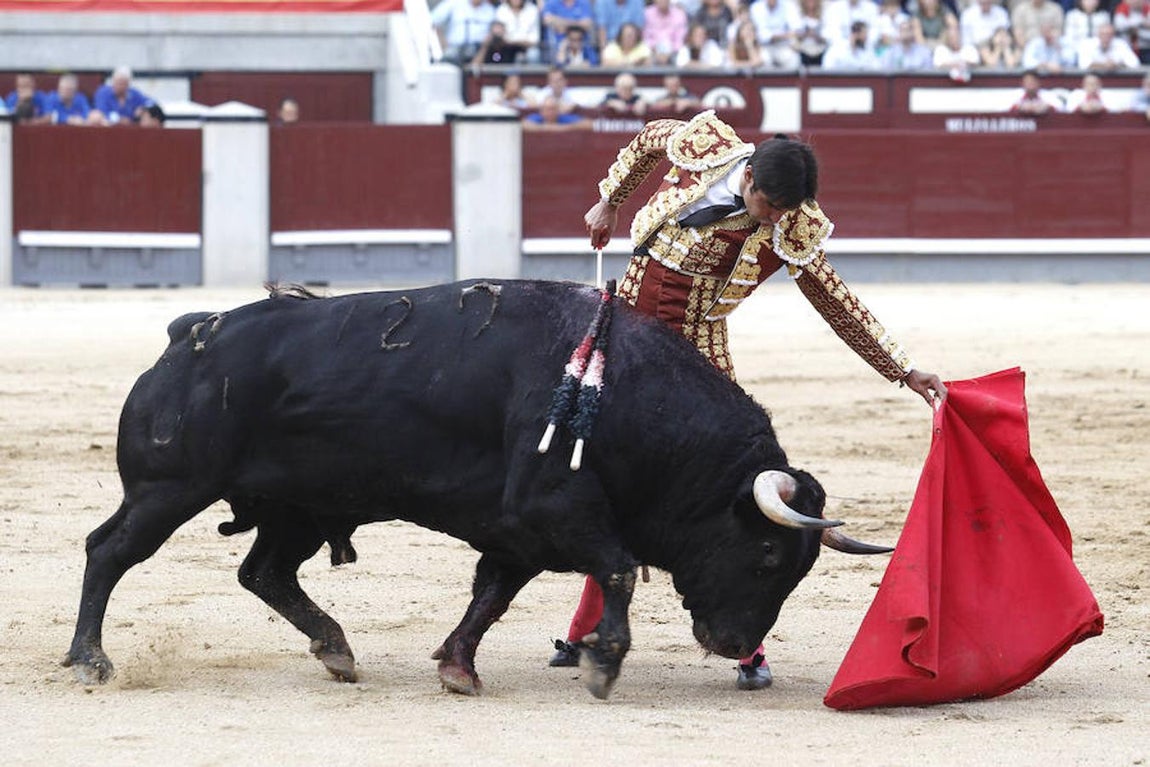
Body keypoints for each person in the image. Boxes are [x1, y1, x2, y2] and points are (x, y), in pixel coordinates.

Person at [550, 110, 946, 690]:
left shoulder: (795, 226)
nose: (779, 219)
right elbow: (644, 143)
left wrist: (901, 368)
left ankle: (748, 647)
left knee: (738, 495)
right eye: (770, 207)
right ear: (750, 179)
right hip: (626, 335)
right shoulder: (702, 143)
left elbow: (836, 301)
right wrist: (609, 199)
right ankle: (588, 627)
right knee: (604, 476)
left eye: (789, 211)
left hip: (697, 357)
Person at [430, 0, 496, 65]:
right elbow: (434, 21)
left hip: (478, 51)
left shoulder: (490, 10)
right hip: (454, 50)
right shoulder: (454, 3)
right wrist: (444, 46)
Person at [750, 0, 803, 68]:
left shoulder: (788, 5)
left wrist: (775, 37)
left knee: (795, 60)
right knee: (763, 60)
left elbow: (797, 29)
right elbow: (762, 36)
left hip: (785, 47)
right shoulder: (756, 7)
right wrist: (785, 35)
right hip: (764, 47)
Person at [495, 0, 543, 64]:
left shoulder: (532, 10)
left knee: (533, 54)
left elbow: (535, 39)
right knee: (497, 55)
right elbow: (500, 36)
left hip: (527, 47)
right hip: (506, 47)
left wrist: (515, 42)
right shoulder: (501, 10)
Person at [644, 0, 690, 64]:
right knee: (646, 61)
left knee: (681, 60)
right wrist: (655, 50)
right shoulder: (647, 13)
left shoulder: (679, 14)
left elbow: (680, 39)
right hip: (652, 51)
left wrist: (669, 53)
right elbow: (645, 37)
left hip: (674, 53)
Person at [521, 94, 591, 130]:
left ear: (558, 110)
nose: (550, 112)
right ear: (541, 111)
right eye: (547, 109)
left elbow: (588, 124)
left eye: (552, 109)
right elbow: (522, 125)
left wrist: (558, 128)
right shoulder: (536, 118)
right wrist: (547, 128)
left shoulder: (564, 118)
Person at [793, 0, 831, 65]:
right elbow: (794, 35)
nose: (810, 2)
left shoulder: (824, 15)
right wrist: (805, 34)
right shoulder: (797, 15)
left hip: (820, 49)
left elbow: (828, 37)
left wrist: (816, 36)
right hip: (802, 50)